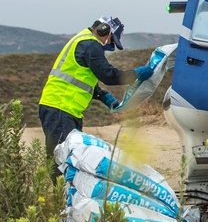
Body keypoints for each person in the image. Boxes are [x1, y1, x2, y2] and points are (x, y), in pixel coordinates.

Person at [38, 15, 153, 177]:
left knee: (69, 158)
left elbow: (81, 80)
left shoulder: (83, 41)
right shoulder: (91, 45)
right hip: (61, 108)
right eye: (111, 40)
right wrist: (136, 74)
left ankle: (64, 191)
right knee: (62, 160)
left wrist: (104, 96)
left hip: (62, 108)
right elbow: (109, 75)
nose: (110, 44)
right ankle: (60, 193)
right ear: (103, 30)